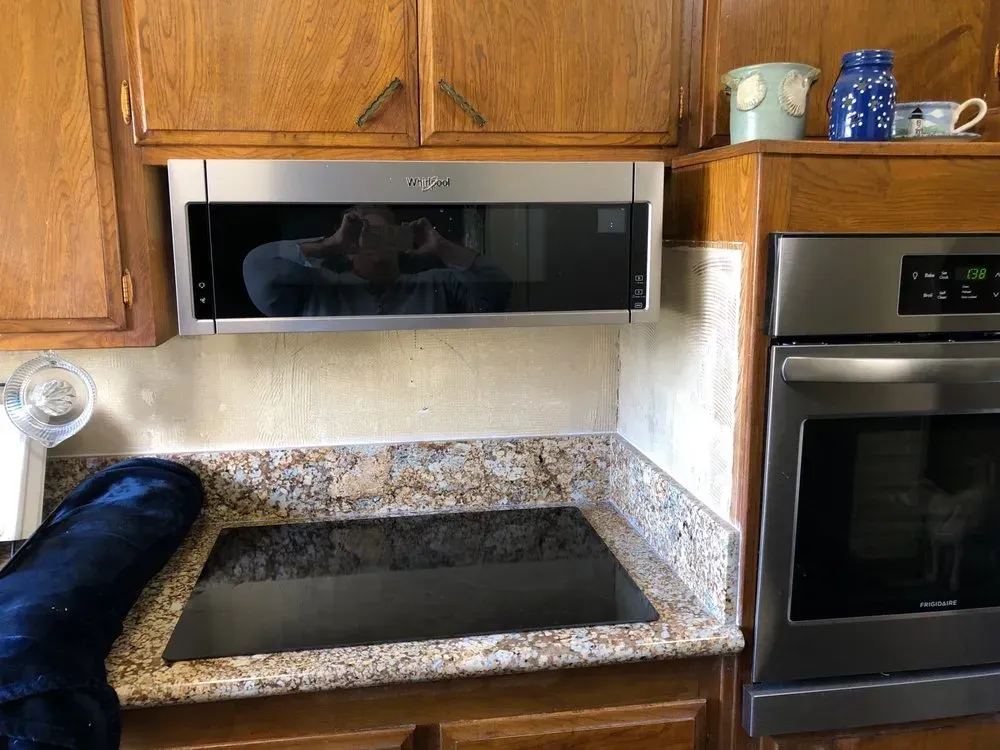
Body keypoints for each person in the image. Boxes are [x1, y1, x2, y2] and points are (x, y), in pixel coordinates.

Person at [242, 205, 511, 317]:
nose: (374, 241)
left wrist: (442, 247)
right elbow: (256, 269)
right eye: (363, 234)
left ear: (399, 241)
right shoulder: (315, 289)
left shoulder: (438, 284)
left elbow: (498, 292)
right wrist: (329, 245)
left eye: (384, 234)